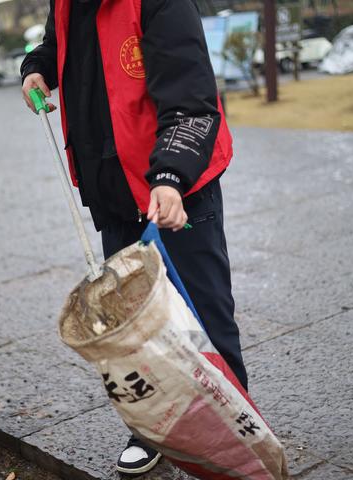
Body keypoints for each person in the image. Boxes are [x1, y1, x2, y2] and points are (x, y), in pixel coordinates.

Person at [21, 0, 248, 475]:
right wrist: (37, 69)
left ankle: (234, 433)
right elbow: (54, 45)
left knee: (203, 317)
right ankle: (154, 429)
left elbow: (191, 100)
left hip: (175, 186)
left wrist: (170, 175)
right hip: (112, 190)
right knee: (133, 326)